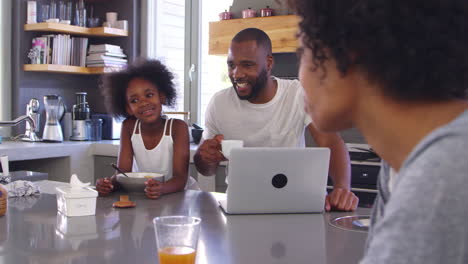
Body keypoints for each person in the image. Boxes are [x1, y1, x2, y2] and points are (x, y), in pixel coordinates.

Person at [289, 0, 468, 262]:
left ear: (349, 49)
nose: (300, 74)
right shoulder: (397, 167)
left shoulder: (444, 175)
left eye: (303, 48)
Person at [194, 28, 358, 211]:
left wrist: (342, 187)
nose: (237, 74)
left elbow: (332, 143)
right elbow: (206, 169)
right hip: (240, 206)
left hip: (293, 203)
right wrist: (204, 158)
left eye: (247, 65)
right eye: (232, 65)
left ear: (269, 62)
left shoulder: (298, 94)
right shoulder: (219, 103)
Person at [96, 59, 196, 199]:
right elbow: (123, 172)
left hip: (180, 196)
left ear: (162, 96)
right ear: (127, 108)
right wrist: (108, 184)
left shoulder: (178, 128)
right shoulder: (128, 127)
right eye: (134, 100)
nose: (143, 103)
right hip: (146, 196)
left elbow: (180, 179)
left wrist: (161, 189)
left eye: (149, 95)